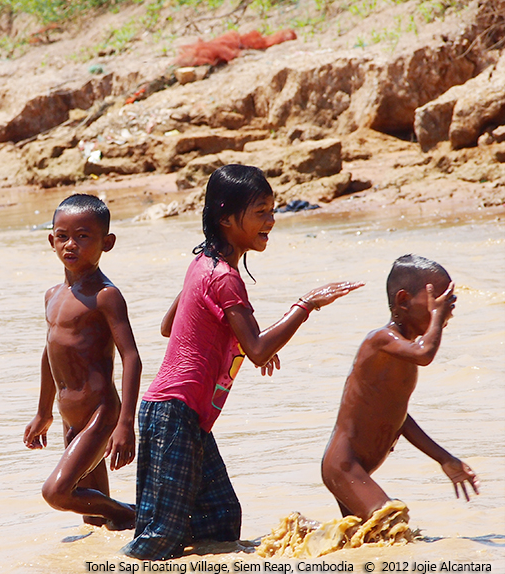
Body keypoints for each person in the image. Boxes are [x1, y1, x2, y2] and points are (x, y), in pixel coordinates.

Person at [122, 164, 363, 561]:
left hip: (186, 416)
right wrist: (306, 305)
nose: (271, 220)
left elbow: (170, 326)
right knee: (158, 541)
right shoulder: (223, 276)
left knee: (220, 520)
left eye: (272, 210)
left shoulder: (204, 264)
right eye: (261, 212)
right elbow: (258, 350)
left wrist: (240, 335)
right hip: (174, 412)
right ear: (227, 219)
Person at [321, 254, 479, 521]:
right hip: (344, 466)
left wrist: (445, 459)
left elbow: (400, 419)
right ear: (403, 300)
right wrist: (438, 317)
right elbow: (425, 354)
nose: (446, 308)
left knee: (359, 541)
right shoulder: (381, 341)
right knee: (394, 523)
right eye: (437, 301)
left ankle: (301, 536)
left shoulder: (404, 352)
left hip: (356, 468)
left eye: (449, 301)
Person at [24, 194, 142, 530]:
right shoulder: (52, 295)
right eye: (62, 236)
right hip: (69, 416)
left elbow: (131, 358)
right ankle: (127, 531)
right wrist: (43, 412)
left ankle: (134, 513)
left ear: (107, 243)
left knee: (57, 492)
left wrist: (125, 424)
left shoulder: (105, 296)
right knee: (93, 517)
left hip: (101, 412)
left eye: (83, 236)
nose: (70, 245)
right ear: (51, 240)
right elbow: (50, 353)